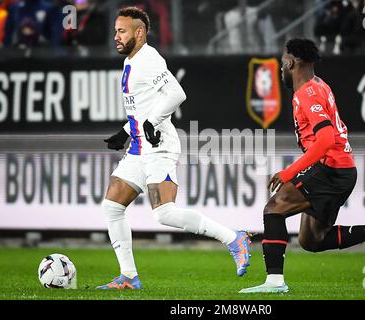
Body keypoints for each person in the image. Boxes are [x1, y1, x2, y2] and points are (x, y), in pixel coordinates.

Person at [96, 6, 251, 290]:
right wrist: (126, 131)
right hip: (140, 147)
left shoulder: (148, 58)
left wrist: (151, 123)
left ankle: (233, 238)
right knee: (112, 206)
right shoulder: (131, 60)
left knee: (164, 213)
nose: (115, 36)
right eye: (115, 30)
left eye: (122, 31)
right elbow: (144, 106)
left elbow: (177, 94)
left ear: (139, 33)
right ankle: (128, 277)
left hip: (159, 146)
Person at [240, 38, 365, 294]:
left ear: (292, 62)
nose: (281, 67)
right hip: (341, 170)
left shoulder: (308, 92)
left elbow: (326, 139)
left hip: (331, 169)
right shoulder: (318, 85)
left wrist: (288, 172)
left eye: (283, 61)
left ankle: (274, 282)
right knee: (311, 239)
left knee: (274, 209)